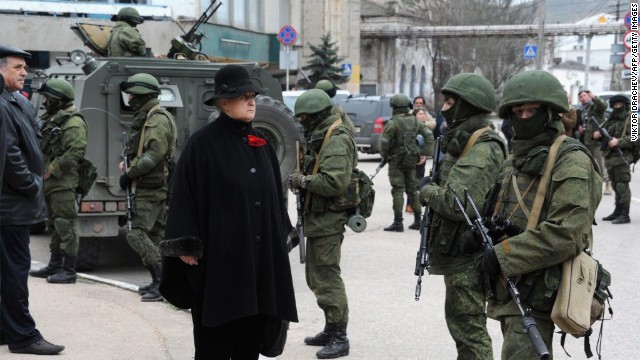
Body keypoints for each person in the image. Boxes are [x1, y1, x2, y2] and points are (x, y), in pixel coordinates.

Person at [159, 64, 298, 359]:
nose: (251, 102)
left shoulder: (262, 145)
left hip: (255, 264)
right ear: (224, 102)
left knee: (250, 340)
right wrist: (186, 243)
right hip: (218, 266)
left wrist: (279, 239)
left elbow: (275, 198)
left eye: (253, 96)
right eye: (243, 96)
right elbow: (183, 195)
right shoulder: (203, 144)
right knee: (215, 342)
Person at [483, 70, 602, 359]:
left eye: (532, 110)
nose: (524, 117)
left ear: (551, 113)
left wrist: (502, 255)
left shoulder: (571, 159)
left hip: (539, 291)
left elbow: (566, 233)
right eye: (517, 111)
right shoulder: (516, 157)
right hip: (510, 285)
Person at [417, 73, 506, 359]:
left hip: (470, 255)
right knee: (460, 325)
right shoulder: (463, 138)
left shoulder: (483, 145)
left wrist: (427, 191)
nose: (443, 107)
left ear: (467, 106)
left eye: (450, 101)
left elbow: (458, 204)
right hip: (457, 249)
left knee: (469, 330)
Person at [0, 44, 65, 355]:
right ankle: (24, 336)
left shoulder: (15, 101)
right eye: (17, 67)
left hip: (15, 204)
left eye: (24, 67)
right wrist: (31, 184)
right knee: (14, 272)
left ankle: (5, 329)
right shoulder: (1, 104)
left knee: (8, 270)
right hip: (10, 206)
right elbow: (10, 155)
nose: (25, 72)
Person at [289, 88, 356, 359]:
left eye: (305, 118)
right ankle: (330, 327)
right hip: (317, 217)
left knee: (326, 277)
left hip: (329, 219)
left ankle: (340, 336)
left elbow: (334, 182)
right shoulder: (322, 136)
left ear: (316, 117)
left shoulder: (337, 139)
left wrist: (301, 181)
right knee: (315, 277)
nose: (302, 123)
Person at [119, 73, 177, 302]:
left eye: (133, 94)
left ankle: (161, 281)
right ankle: (159, 282)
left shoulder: (156, 119)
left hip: (150, 188)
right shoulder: (152, 116)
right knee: (154, 236)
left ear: (143, 95)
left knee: (136, 234)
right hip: (151, 185)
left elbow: (153, 154)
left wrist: (129, 173)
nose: (130, 99)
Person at [28, 79, 88, 284]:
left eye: (49, 98)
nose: (45, 102)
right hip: (51, 182)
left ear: (59, 100)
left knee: (65, 225)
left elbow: (75, 153)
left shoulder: (73, 122)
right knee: (53, 224)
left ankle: (69, 270)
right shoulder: (54, 119)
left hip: (63, 183)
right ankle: (54, 265)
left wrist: (52, 169)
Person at [381, 94, 433, 232]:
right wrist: (424, 153)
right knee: (413, 190)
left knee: (398, 190)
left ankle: (398, 222)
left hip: (396, 162)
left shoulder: (393, 123)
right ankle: (418, 221)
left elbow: (385, 143)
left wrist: (384, 155)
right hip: (411, 161)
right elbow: (428, 135)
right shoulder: (415, 121)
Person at [595, 94, 634, 224]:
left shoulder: (631, 119)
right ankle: (617, 211)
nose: (617, 107)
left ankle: (624, 214)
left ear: (625, 105)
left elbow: (636, 138)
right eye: (615, 105)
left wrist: (619, 142)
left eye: (620, 104)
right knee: (615, 185)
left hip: (623, 157)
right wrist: (598, 135)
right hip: (610, 157)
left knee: (622, 185)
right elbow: (604, 135)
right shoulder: (610, 120)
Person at [577, 89, 611, 194]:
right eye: (581, 97)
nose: (583, 98)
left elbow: (604, 106)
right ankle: (593, 185)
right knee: (589, 163)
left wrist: (594, 97)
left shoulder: (595, 107)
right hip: (587, 140)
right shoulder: (581, 110)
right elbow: (582, 122)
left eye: (584, 95)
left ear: (588, 96)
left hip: (597, 140)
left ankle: (608, 185)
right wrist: (580, 126)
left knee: (601, 163)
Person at [405, 107, 434, 214]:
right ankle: (410, 205)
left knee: (419, 181)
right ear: (415, 115)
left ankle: (413, 204)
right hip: (412, 157)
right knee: (411, 182)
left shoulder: (425, 128)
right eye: (420, 114)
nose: (423, 116)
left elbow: (428, 143)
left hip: (422, 158)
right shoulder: (411, 127)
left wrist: (424, 155)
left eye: (423, 114)